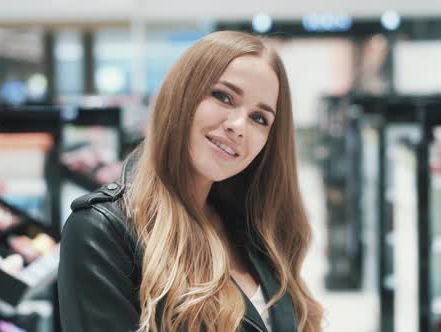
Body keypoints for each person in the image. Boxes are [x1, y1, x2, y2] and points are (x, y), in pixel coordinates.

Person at [58, 30, 323, 332]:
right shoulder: (103, 231)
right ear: (182, 95)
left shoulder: (252, 227)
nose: (238, 127)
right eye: (223, 97)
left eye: (259, 118)